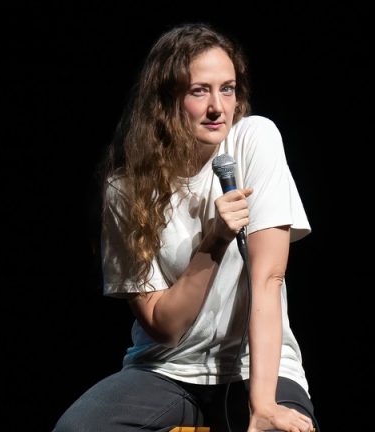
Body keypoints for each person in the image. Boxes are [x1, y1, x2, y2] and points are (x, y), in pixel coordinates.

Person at [53, 22, 318, 432]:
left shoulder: (253, 140)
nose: (218, 107)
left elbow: (269, 277)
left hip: (258, 367)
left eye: (227, 89)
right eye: (199, 91)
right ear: (166, 100)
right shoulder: (125, 190)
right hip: (167, 370)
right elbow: (164, 325)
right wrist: (213, 242)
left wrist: (263, 404)